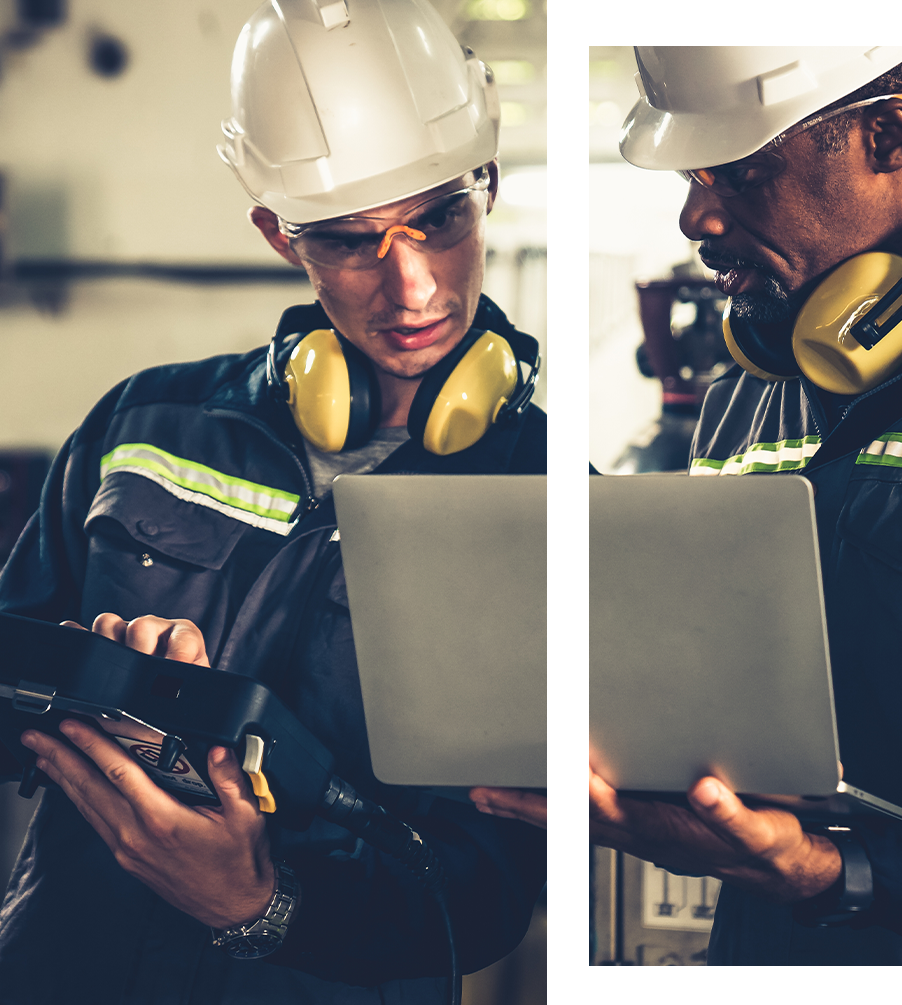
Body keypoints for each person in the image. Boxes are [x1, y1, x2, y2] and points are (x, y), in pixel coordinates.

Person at [0, 2, 547, 1002]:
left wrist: (259, 906)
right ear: (278, 235)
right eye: (349, 242)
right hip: (59, 967)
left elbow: (494, 885)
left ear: (487, 189)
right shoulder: (143, 421)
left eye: (439, 218)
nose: (413, 287)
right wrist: (92, 688)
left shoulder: (552, 506)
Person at [589, 44, 902, 968]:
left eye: (744, 172)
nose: (698, 212)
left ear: (887, 136)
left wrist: (836, 871)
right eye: (694, 173)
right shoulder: (748, 395)